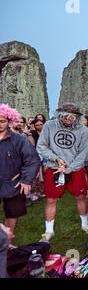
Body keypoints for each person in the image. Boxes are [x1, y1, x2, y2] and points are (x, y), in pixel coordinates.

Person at [36, 103, 88, 241]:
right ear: (60, 116)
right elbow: (41, 146)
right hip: (55, 168)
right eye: (65, 118)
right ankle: (49, 231)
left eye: (71, 118)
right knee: (51, 199)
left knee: (80, 196)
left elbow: (83, 153)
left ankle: (85, 224)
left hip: (75, 168)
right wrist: (56, 159)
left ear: (77, 117)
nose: (68, 121)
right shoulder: (49, 126)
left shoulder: (84, 131)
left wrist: (69, 168)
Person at [0, 104, 41, 247]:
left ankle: (8, 243)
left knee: (12, 214)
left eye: (2, 121)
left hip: (13, 183)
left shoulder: (19, 139)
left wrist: (26, 180)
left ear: (9, 121)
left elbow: (32, 160)